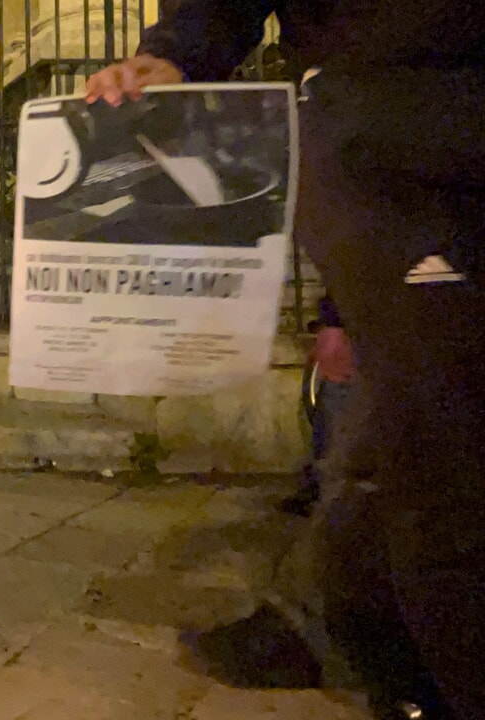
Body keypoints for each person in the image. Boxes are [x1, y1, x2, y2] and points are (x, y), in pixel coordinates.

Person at [86, 4, 485, 720]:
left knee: (402, 434)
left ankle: (354, 637)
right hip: (382, 146)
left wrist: (341, 313)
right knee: (445, 458)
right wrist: (176, 54)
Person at [281, 293, 355, 517]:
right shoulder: (344, 336)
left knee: (326, 445)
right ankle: (321, 494)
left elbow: (318, 361)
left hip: (334, 390)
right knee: (328, 445)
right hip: (339, 390)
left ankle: (321, 496)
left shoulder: (331, 337)